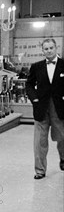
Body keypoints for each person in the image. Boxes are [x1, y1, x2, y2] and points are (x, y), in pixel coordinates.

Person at [25, 38, 64, 179]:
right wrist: (34, 99)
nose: (48, 51)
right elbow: (29, 85)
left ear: (56, 48)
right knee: (39, 142)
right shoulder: (36, 66)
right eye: (46, 48)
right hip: (41, 108)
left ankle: (63, 158)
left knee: (62, 137)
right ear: (42, 50)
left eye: (51, 48)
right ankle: (40, 170)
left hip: (60, 109)